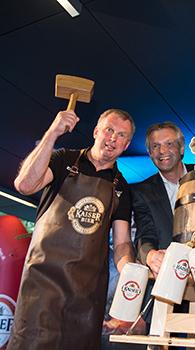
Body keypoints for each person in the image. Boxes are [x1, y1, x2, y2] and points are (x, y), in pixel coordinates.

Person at [8, 108, 136, 350]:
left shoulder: (121, 188)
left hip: (86, 296)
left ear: (127, 145)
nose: (113, 139)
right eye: (109, 130)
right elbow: (24, 185)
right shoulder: (64, 160)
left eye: (121, 135)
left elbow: (121, 243)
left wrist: (130, 276)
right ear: (96, 131)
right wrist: (53, 133)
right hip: (42, 287)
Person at [130, 122, 190, 277]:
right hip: (169, 276)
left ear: (181, 148)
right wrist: (150, 255)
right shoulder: (141, 192)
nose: (162, 151)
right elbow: (145, 233)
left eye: (169, 144)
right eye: (155, 146)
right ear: (150, 153)